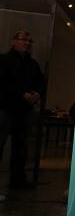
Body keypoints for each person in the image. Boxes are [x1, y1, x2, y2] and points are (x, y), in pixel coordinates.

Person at [0, 30, 45, 189]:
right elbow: (3, 83)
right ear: (13, 42)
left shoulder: (33, 64)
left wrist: (36, 94)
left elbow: (41, 82)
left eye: (29, 41)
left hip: (24, 112)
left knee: (21, 148)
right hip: (5, 110)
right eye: (23, 39)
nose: (26, 43)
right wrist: (21, 94)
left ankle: (18, 180)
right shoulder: (3, 60)